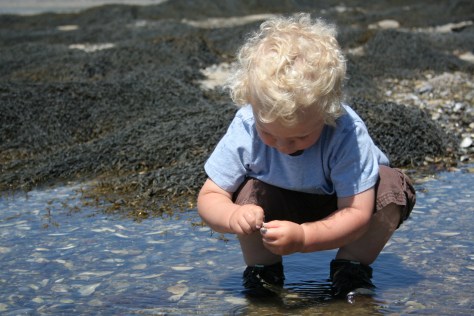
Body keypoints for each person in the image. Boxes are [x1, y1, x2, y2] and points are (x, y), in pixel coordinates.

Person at [197, 13, 416, 301]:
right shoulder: (247, 125)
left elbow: (357, 214)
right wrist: (232, 216)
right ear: (253, 107)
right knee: (246, 193)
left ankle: (351, 267)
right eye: (270, 134)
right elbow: (209, 195)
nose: (284, 145)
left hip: (344, 203)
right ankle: (264, 270)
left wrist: (303, 238)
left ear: (327, 112)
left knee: (391, 188)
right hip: (277, 204)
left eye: (300, 137)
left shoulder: (346, 131)